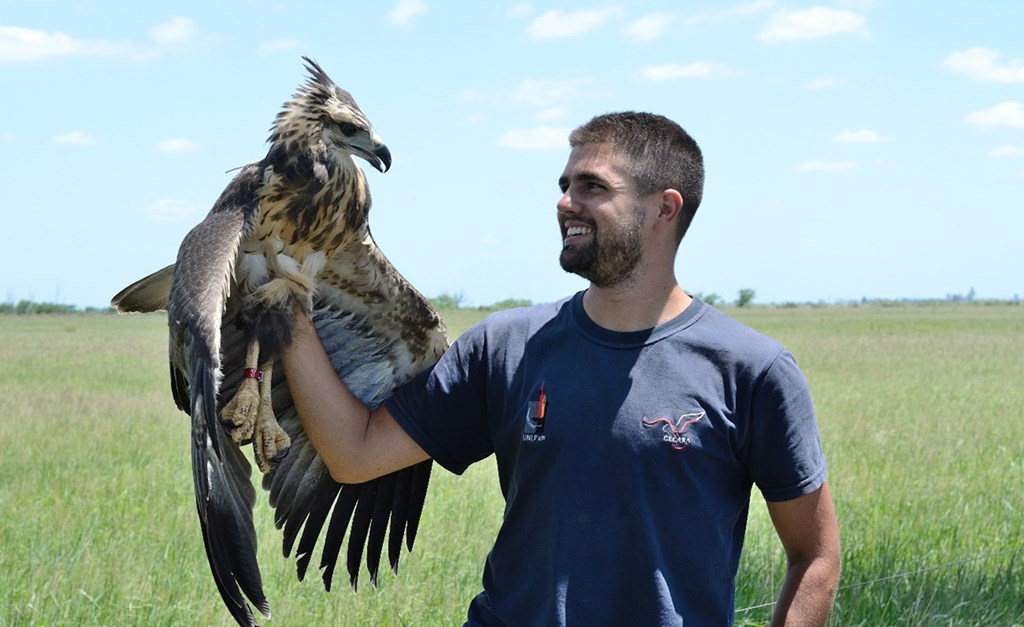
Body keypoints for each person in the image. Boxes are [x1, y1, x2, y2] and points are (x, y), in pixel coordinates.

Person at [281, 111, 841, 626]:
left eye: (592, 187)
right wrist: (288, 310)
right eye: (564, 185)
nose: (566, 202)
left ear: (664, 209)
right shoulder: (505, 346)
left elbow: (815, 554)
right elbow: (354, 455)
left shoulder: (751, 370)